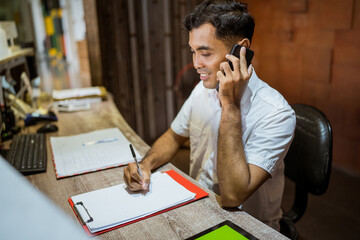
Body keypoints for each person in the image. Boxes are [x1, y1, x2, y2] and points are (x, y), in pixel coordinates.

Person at [123, 0, 296, 231]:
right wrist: (145, 164)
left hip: (247, 227)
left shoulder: (276, 114)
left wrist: (230, 105)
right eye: (193, 52)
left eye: (205, 53)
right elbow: (174, 136)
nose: (196, 64)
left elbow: (233, 197)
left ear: (241, 49)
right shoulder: (202, 90)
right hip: (199, 207)